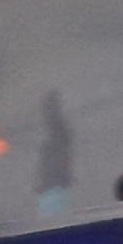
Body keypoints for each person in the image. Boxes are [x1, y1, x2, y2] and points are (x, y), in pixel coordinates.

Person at [33, 91, 75, 219]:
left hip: (53, 185)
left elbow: (60, 157)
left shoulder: (58, 132)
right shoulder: (55, 131)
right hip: (53, 183)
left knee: (52, 218)